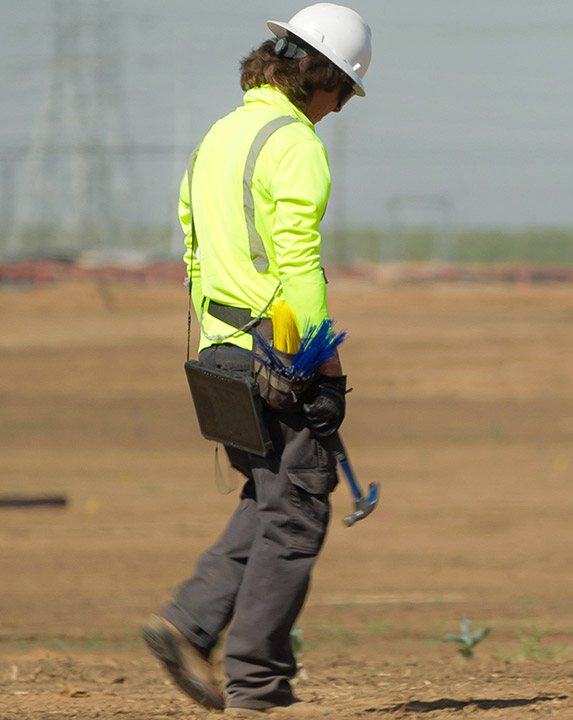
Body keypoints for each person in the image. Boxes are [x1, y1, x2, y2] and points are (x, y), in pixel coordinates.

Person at [141, 4, 371, 717]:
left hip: (220, 349)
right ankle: (259, 684)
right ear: (321, 77)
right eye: (343, 92)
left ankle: (189, 623)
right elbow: (299, 262)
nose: (339, 108)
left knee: (271, 496)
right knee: (298, 509)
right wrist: (321, 362)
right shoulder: (295, 143)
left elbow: (190, 238)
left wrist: (222, 335)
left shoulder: (221, 135)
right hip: (276, 352)